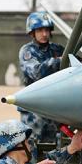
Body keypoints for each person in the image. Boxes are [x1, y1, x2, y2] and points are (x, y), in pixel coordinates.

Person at [18, 11, 65, 143]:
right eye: (40, 30)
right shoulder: (27, 51)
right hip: (34, 111)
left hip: (54, 109)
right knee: (32, 148)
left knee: (55, 149)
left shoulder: (57, 49)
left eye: (46, 30)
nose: (44, 34)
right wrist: (59, 61)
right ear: (32, 32)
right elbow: (36, 73)